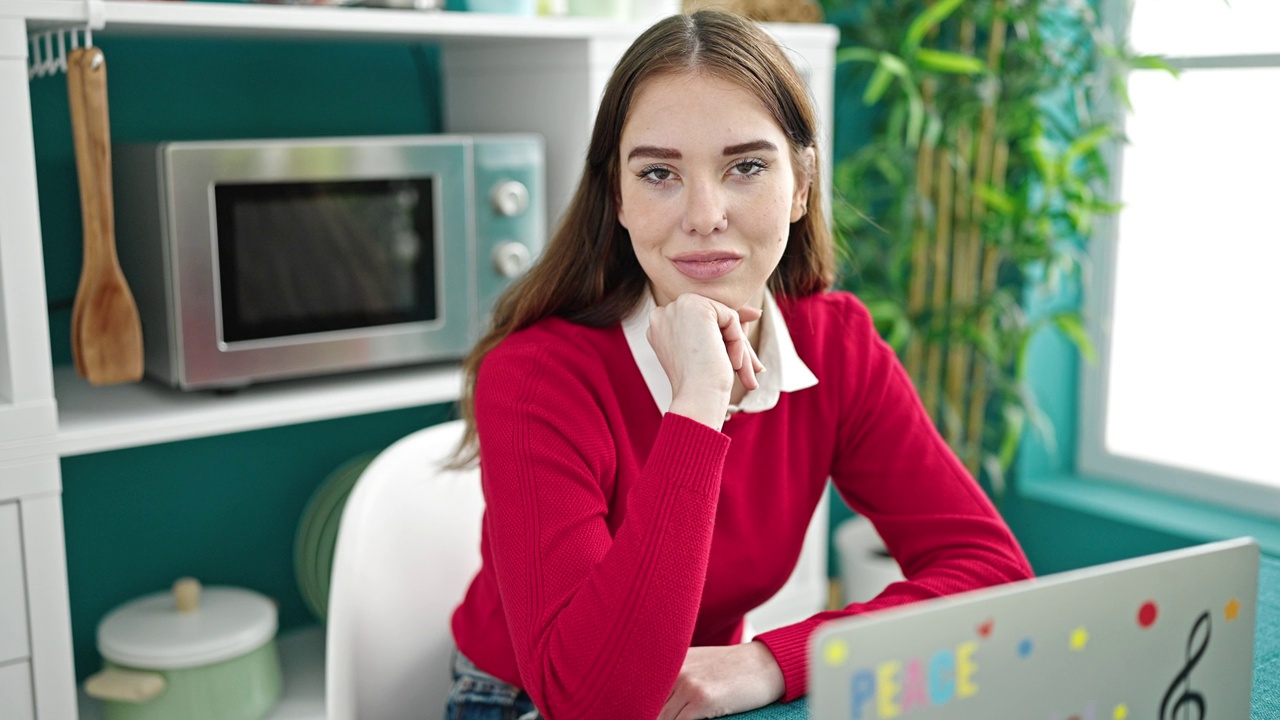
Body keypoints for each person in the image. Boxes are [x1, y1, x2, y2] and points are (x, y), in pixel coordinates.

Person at [445, 9, 1034, 720]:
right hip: (522, 703)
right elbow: (591, 702)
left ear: (802, 184)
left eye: (746, 167)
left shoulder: (835, 342)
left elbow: (991, 571)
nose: (703, 213)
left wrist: (770, 659)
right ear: (618, 198)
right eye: (659, 172)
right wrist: (698, 401)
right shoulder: (537, 376)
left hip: (716, 694)